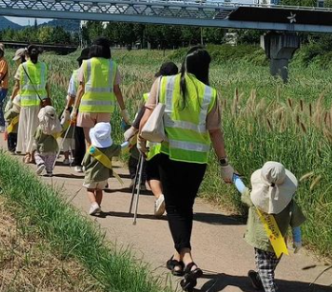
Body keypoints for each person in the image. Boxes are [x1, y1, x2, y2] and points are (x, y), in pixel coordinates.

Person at [138, 46, 234, 289]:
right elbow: (215, 132)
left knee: (176, 210)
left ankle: (189, 261)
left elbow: (146, 118)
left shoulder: (162, 83)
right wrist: (224, 163)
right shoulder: (209, 93)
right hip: (196, 162)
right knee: (185, 208)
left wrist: (141, 140)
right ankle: (177, 260)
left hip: (169, 156)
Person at [233, 162, 305, 292]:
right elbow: (295, 223)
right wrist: (297, 240)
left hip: (262, 242)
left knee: (266, 269)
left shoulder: (255, 199)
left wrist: (235, 178)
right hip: (279, 241)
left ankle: (269, 287)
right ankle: (259, 279)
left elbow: (243, 190)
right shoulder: (290, 203)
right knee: (269, 266)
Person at [125, 61, 179, 216]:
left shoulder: (153, 92)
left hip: (154, 142)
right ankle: (171, 202)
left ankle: (159, 196)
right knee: (170, 174)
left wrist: (137, 135)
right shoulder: (182, 94)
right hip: (174, 143)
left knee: (152, 174)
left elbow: (144, 115)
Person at [74, 37, 130, 143]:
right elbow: (117, 90)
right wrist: (123, 110)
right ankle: (100, 160)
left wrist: (74, 110)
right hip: (105, 109)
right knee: (101, 142)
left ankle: (90, 159)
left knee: (90, 143)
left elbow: (81, 89)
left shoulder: (86, 64)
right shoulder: (112, 65)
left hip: (87, 108)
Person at [12, 45, 50, 164]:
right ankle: (35, 152)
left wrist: (11, 98)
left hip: (27, 103)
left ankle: (29, 154)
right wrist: (49, 100)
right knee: (38, 129)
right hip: (41, 102)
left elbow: (17, 85)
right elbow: (47, 86)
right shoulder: (44, 66)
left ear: (26, 54)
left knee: (28, 129)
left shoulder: (22, 67)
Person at [82, 122, 121, 216]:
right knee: (99, 190)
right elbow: (120, 148)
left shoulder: (92, 148)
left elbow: (85, 161)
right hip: (104, 175)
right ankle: (98, 205)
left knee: (90, 190)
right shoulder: (111, 148)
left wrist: (84, 166)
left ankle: (94, 204)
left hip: (92, 174)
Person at [62, 48, 90, 172]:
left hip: (80, 108)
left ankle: (78, 162)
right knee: (92, 137)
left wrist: (68, 109)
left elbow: (72, 94)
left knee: (79, 136)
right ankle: (91, 163)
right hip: (96, 108)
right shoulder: (97, 71)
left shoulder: (76, 74)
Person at [34, 106, 61, 176]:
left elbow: (36, 137)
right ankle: (49, 171)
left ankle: (40, 163)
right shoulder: (55, 127)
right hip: (53, 148)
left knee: (37, 155)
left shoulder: (40, 128)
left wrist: (35, 145)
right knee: (50, 161)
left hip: (42, 147)